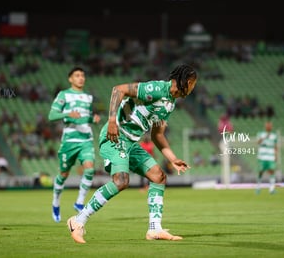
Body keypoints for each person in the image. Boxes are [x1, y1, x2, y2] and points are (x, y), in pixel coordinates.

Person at [67, 64, 197, 244]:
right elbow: (118, 90)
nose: (193, 88)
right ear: (187, 82)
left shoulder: (169, 105)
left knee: (158, 177)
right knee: (121, 181)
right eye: (193, 84)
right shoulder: (157, 89)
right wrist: (112, 120)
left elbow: (157, 134)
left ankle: (154, 229)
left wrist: (173, 159)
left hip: (130, 143)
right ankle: (78, 220)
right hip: (115, 137)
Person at [48, 66, 101, 223]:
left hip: (86, 139)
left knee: (90, 169)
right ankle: (55, 202)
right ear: (70, 79)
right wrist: (67, 114)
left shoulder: (88, 98)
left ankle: (79, 202)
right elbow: (52, 115)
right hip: (69, 141)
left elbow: (87, 117)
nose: (81, 78)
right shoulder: (64, 95)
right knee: (63, 175)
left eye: (83, 75)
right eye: (77, 75)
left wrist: (93, 119)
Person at [255, 121, 278, 194]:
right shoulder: (260, 134)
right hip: (262, 156)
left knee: (272, 171)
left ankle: (272, 189)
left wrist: (276, 155)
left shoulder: (274, 136)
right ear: (265, 126)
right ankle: (258, 187)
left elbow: (275, 146)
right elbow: (258, 142)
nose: (269, 127)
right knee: (261, 171)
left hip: (271, 156)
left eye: (270, 126)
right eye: (268, 125)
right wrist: (264, 137)